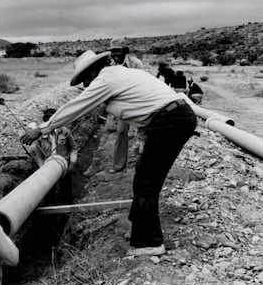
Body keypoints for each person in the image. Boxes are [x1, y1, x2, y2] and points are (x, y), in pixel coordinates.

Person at [21, 50, 197, 256]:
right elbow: (144, 111)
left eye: (85, 79)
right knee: (143, 176)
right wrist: (142, 144)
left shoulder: (107, 78)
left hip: (171, 121)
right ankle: (139, 227)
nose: (86, 85)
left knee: (146, 183)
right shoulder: (122, 74)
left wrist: (42, 129)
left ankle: (150, 242)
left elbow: (77, 106)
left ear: (93, 71)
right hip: (171, 119)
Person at [108, 38, 144, 173]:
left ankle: (142, 164)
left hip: (138, 100)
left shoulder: (136, 64)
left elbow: (142, 83)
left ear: (125, 51)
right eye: (113, 52)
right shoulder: (112, 66)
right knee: (121, 132)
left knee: (142, 132)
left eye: (118, 51)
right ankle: (118, 165)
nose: (115, 55)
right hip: (123, 102)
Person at [30, 108, 78, 202]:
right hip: (48, 168)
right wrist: (43, 169)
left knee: (66, 192)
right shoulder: (39, 136)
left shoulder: (64, 131)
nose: (48, 122)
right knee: (49, 194)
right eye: (46, 119)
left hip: (65, 166)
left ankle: (66, 210)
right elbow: (39, 156)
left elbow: (73, 149)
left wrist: (71, 164)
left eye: (50, 119)